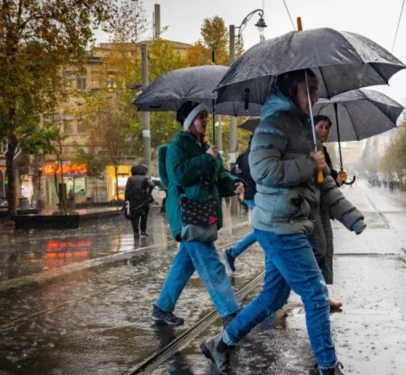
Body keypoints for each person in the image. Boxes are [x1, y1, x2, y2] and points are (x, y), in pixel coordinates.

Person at [199, 69, 366, 375]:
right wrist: (308, 164)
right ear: (291, 91)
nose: (315, 98)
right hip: (279, 225)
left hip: (290, 222)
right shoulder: (272, 125)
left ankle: (220, 344)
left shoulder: (306, 131)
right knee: (316, 295)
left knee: (271, 298)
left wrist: (351, 216)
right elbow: (263, 171)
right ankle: (328, 368)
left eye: (316, 91)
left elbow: (324, 183)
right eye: (309, 91)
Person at [152, 101, 245, 327]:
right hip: (189, 213)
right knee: (211, 263)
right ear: (188, 122)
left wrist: (235, 184)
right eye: (199, 117)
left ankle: (161, 308)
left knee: (184, 263)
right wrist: (206, 159)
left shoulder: (208, 148)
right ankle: (230, 312)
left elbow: (220, 176)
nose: (204, 120)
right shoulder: (178, 146)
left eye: (205, 116)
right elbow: (178, 175)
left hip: (204, 211)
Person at [310, 115, 347, 311]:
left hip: (324, 207)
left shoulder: (322, 150)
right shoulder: (309, 148)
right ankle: (314, 294)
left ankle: (323, 296)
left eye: (328, 128)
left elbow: (327, 177)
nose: (325, 131)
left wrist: (337, 177)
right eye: (321, 126)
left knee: (327, 250)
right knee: (318, 250)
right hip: (312, 207)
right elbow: (313, 177)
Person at [223, 136, 258, 272]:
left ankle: (233, 252)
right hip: (257, 196)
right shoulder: (255, 155)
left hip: (250, 196)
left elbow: (235, 174)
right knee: (264, 229)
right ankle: (233, 252)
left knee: (264, 229)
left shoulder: (243, 156)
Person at [124, 163, 154, 237]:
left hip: (134, 201)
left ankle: (136, 232)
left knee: (134, 217)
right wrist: (148, 193)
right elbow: (152, 185)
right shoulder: (146, 178)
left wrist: (127, 199)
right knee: (144, 216)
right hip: (144, 200)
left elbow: (127, 189)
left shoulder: (130, 179)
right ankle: (143, 231)